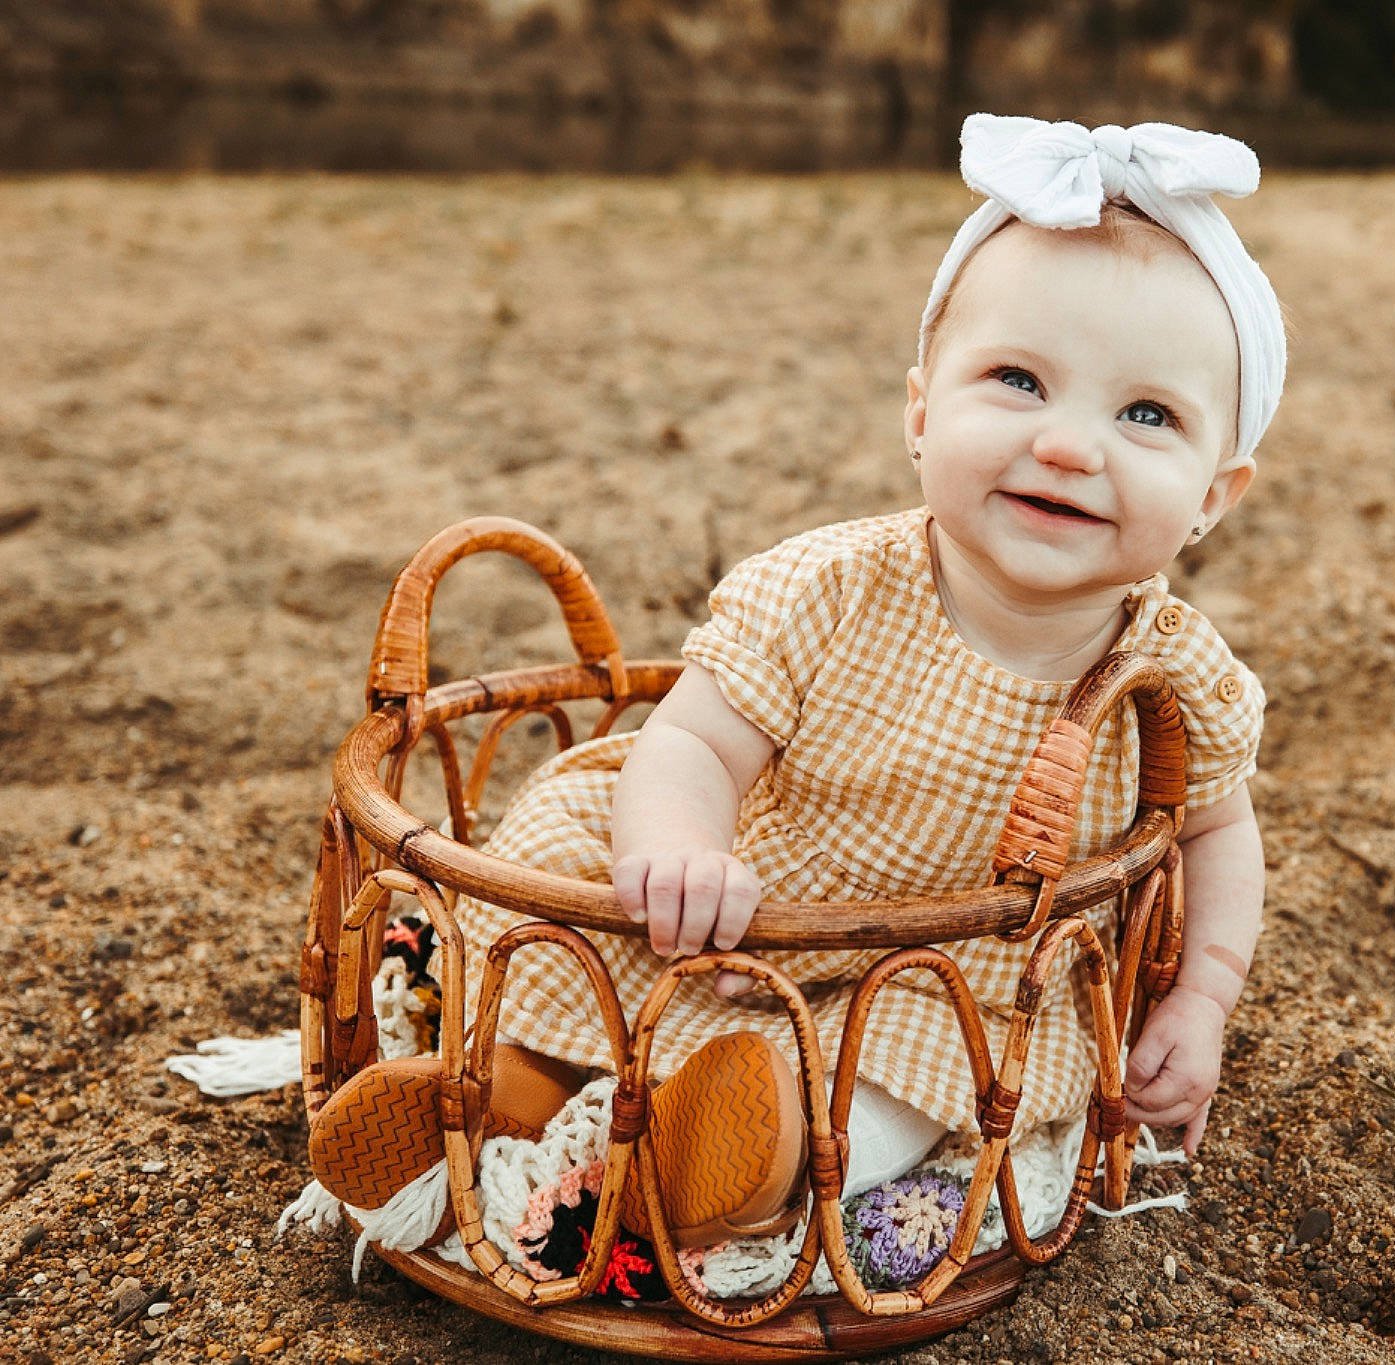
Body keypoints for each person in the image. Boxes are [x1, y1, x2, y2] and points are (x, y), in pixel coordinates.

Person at [308, 114, 1286, 1257]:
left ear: (1216, 493)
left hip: (951, 972)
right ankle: (502, 1092)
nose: (1070, 446)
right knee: (565, 892)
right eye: (1016, 381)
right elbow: (696, 745)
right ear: (920, 415)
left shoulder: (1171, 681)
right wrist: (676, 850)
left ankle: (738, 1156)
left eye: (1145, 415)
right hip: (741, 906)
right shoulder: (825, 586)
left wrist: (1201, 1000)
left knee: (926, 1083)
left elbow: (1218, 837)